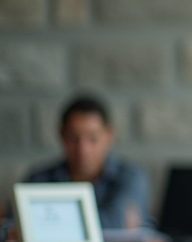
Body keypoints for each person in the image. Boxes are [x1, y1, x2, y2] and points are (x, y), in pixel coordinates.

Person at [23, 94, 151, 230]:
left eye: (93, 138)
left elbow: (116, 222)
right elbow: (17, 224)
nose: (83, 149)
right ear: (61, 135)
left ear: (109, 135)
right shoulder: (38, 180)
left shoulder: (130, 178)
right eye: (74, 138)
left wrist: (48, 222)